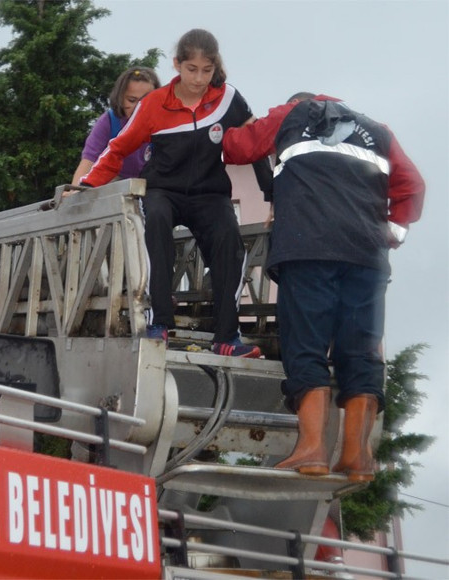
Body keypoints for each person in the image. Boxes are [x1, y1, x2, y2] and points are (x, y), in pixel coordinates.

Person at [222, 93, 425, 481]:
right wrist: (391, 233)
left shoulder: (291, 114)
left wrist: (236, 127)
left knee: (306, 346)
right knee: (362, 352)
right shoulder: (379, 132)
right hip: (366, 256)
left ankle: (312, 450)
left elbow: (237, 147)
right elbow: (411, 185)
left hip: (309, 248)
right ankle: (357, 458)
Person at [79, 29, 272, 357]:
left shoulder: (228, 99)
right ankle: (160, 324)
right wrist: (85, 187)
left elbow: (256, 143)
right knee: (155, 221)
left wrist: (274, 196)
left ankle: (227, 336)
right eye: (192, 70)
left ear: (215, 67)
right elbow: (117, 149)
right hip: (163, 191)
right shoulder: (154, 104)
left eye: (207, 71)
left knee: (229, 237)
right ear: (177, 65)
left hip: (209, 194)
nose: (199, 79)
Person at [71, 67, 161, 185]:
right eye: (132, 100)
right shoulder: (109, 121)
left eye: (146, 101)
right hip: (115, 180)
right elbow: (89, 160)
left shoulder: (164, 125)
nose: (138, 107)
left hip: (152, 181)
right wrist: (74, 192)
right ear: (121, 98)